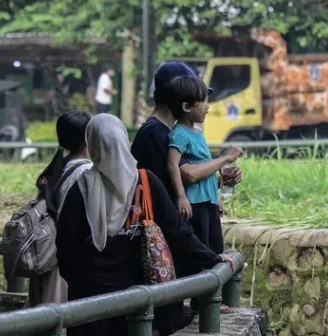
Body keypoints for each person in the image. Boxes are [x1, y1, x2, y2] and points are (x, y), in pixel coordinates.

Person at [55, 114, 238, 336]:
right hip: (140, 302)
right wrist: (213, 258)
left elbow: (65, 250)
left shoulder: (81, 188)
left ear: (91, 144)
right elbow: (177, 231)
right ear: (124, 141)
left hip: (90, 304)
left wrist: (83, 283)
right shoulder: (145, 182)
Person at [130, 62, 244, 207]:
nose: (205, 106)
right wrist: (225, 159)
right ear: (180, 96)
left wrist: (218, 181)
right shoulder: (157, 132)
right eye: (197, 98)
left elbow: (180, 182)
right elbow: (189, 174)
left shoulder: (169, 131)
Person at [166, 76, 242, 263]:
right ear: (186, 107)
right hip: (195, 203)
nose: (207, 107)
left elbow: (203, 165)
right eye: (202, 102)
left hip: (208, 200)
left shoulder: (198, 133)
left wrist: (217, 194)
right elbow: (172, 164)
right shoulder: (179, 134)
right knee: (203, 245)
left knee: (216, 242)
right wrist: (182, 196)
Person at [27, 110, 93, 306]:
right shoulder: (86, 172)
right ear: (88, 138)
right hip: (69, 259)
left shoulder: (58, 168)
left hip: (51, 253)